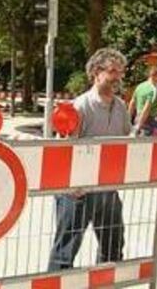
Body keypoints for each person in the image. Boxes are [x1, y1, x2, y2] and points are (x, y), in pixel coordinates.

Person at [48, 48, 130, 271]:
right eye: (113, 71)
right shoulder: (79, 106)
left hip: (107, 188)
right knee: (65, 253)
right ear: (96, 72)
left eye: (120, 72)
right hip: (78, 192)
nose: (118, 78)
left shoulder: (121, 107)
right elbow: (64, 150)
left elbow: (124, 142)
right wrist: (71, 185)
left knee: (114, 248)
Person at [128, 65, 157, 135]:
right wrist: (139, 126)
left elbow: (132, 103)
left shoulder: (140, 86)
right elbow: (147, 108)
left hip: (137, 118)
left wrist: (128, 120)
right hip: (147, 121)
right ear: (154, 76)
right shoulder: (153, 89)